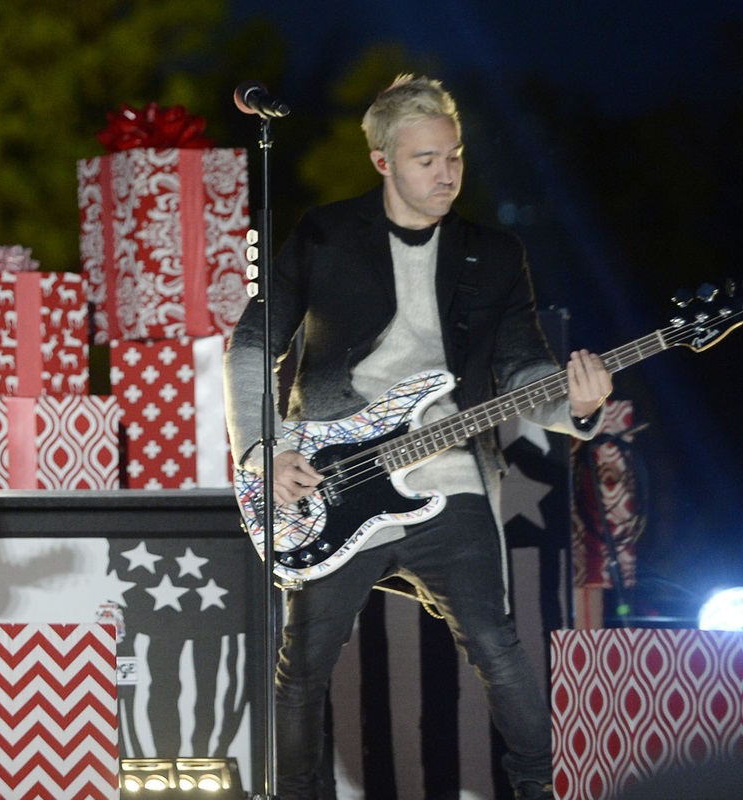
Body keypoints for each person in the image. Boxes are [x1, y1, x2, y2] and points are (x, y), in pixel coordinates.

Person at [225, 75, 612, 800]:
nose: (446, 173)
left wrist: (579, 407)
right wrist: (264, 449)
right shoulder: (326, 235)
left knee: (497, 644)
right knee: (303, 661)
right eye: (427, 159)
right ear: (383, 162)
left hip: (446, 468)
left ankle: (538, 789)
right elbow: (252, 346)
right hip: (330, 475)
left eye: (454, 157)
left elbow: (523, 367)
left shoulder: (493, 253)